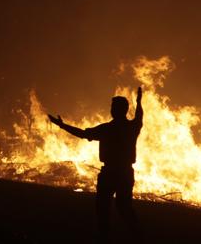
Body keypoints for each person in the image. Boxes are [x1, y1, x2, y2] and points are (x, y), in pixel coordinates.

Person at [48, 87, 143, 241]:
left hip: (110, 173)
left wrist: (62, 125)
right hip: (125, 173)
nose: (111, 110)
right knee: (123, 207)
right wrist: (139, 102)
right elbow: (139, 116)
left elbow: (82, 134)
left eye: (113, 107)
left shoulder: (107, 129)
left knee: (103, 208)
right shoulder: (132, 128)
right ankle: (137, 236)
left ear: (118, 110)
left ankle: (107, 237)